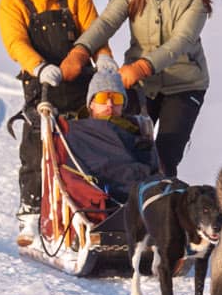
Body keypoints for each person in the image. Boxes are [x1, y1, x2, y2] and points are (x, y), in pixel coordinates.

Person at [60, 0, 210, 178]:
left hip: (184, 85)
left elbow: (181, 41)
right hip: (141, 86)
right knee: (126, 148)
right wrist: (81, 50)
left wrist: (142, 66)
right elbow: (106, 22)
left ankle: (161, 210)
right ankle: (123, 210)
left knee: (164, 157)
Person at [0, 0, 109, 237]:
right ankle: (31, 213)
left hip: (79, 83)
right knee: (36, 142)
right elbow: (15, 42)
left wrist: (104, 60)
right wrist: (39, 66)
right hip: (41, 85)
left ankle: (95, 205)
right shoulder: (13, 1)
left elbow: (95, 32)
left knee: (91, 140)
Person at [63, 57, 160, 197]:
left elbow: (151, 169)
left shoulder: (136, 131)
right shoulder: (74, 131)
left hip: (135, 196)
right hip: (94, 195)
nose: (110, 104)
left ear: (123, 105)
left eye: (117, 99)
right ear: (91, 103)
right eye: (103, 98)